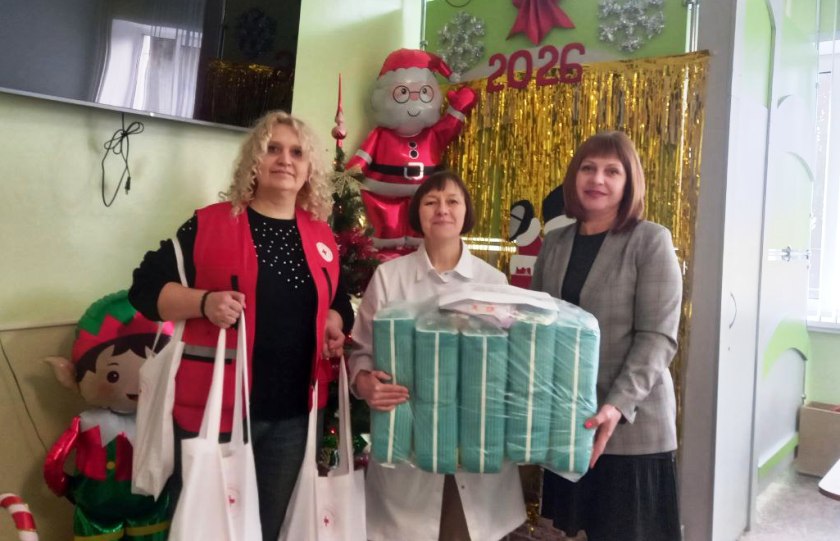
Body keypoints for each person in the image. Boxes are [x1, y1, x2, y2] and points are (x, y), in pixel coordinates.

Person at [128, 111, 354, 541]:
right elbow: (144, 288)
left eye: (297, 152)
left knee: (266, 530)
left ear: (309, 168)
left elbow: (339, 299)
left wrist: (335, 319)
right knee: (205, 530)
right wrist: (203, 302)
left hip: (292, 418)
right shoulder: (209, 224)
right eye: (273, 149)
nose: (284, 160)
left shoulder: (321, 236)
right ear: (254, 160)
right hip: (214, 412)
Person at [349, 170, 526, 541]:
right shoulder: (389, 278)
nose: (442, 209)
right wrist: (365, 383)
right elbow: (361, 351)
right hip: (407, 449)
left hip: (475, 449)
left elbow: (512, 366)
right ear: (418, 214)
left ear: (466, 212)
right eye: (431, 202)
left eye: (452, 201)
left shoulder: (493, 283)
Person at [532, 131, 683, 541]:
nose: (597, 179)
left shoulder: (650, 240)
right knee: (573, 532)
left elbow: (658, 337)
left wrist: (615, 406)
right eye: (588, 168)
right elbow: (539, 325)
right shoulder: (555, 243)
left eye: (612, 171)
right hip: (572, 422)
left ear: (628, 181)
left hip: (632, 425)